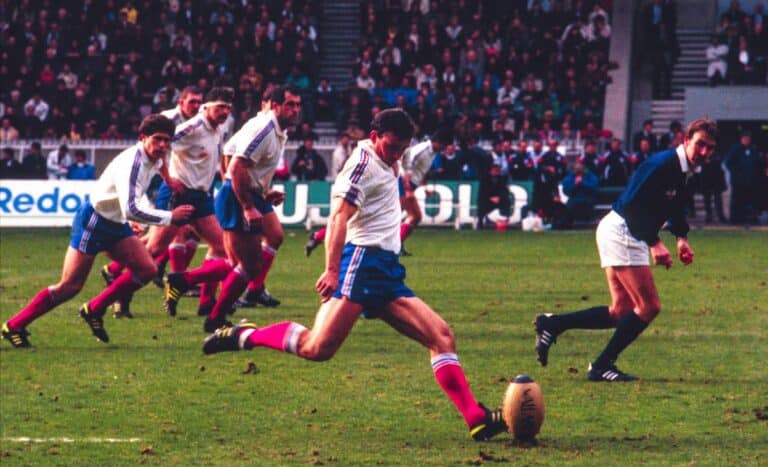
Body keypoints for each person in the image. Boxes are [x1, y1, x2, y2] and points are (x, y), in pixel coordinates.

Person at [202, 108, 508, 442]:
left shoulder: (389, 157)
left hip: (386, 270)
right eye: (391, 147)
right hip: (361, 265)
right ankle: (246, 335)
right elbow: (337, 218)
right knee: (316, 348)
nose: (397, 155)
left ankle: (475, 418)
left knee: (442, 337)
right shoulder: (360, 167)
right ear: (375, 138)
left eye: (402, 149)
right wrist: (332, 271)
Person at [534, 119, 718, 381]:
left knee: (620, 310)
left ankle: (553, 324)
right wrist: (655, 243)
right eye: (700, 144)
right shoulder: (662, 165)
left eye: (709, 148)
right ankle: (601, 365)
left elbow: (673, 205)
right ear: (686, 140)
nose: (704, 152)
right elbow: (633, 206)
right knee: (649, 306)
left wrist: (680, 238)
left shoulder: (681, 169)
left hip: (622, 230)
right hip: (624, 230)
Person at [1, 115, 194, 348]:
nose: (163, 146)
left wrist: (169, 179)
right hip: (94, 221)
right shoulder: (132, 163)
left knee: (146, 270)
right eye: (158, 140)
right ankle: (14, 326)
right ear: (143, 138)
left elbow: (160, 165)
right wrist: (171, 217)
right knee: (70, 286)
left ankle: (94, 309)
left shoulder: (155, 155)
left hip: (115, 222)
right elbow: (131, 209)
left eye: (167, 141)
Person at [169, 84, 301, 332]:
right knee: (247, 265)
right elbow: (237, 167)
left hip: (250, 193)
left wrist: (263, 190)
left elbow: (233, 157)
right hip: (238, 196)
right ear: (274, 106)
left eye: (297, 105)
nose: (295, 110)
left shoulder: (276, 130)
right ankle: (213, 314)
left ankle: (187, 283)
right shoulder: (263, 129)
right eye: (290, 105)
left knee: (248, 255)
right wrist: (248, 206)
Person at [397, 128, 453, 252]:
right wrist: (407, 187)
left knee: (401, 216)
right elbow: (407, 164)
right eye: (444, 145)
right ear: (437, 141)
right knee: (415, 215)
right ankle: (395, 246)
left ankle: (396, 245)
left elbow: (419, 171)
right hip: (403, 183)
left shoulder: (433, 152)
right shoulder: (422, 149)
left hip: (410, 184)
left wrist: (424, 187)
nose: (444, 148)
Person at [725, 131, 764, 224]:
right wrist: (737, 173)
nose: (747, 141)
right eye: (745, 139)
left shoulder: (753, 150)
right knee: (737, 201)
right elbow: (728, 163)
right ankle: (735, 220)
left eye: (748, 139)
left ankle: (752, 219)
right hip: (738, 182)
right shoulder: (735, 149)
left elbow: (758, 164)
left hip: (751, 182)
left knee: (751, 201)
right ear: (741, 139)